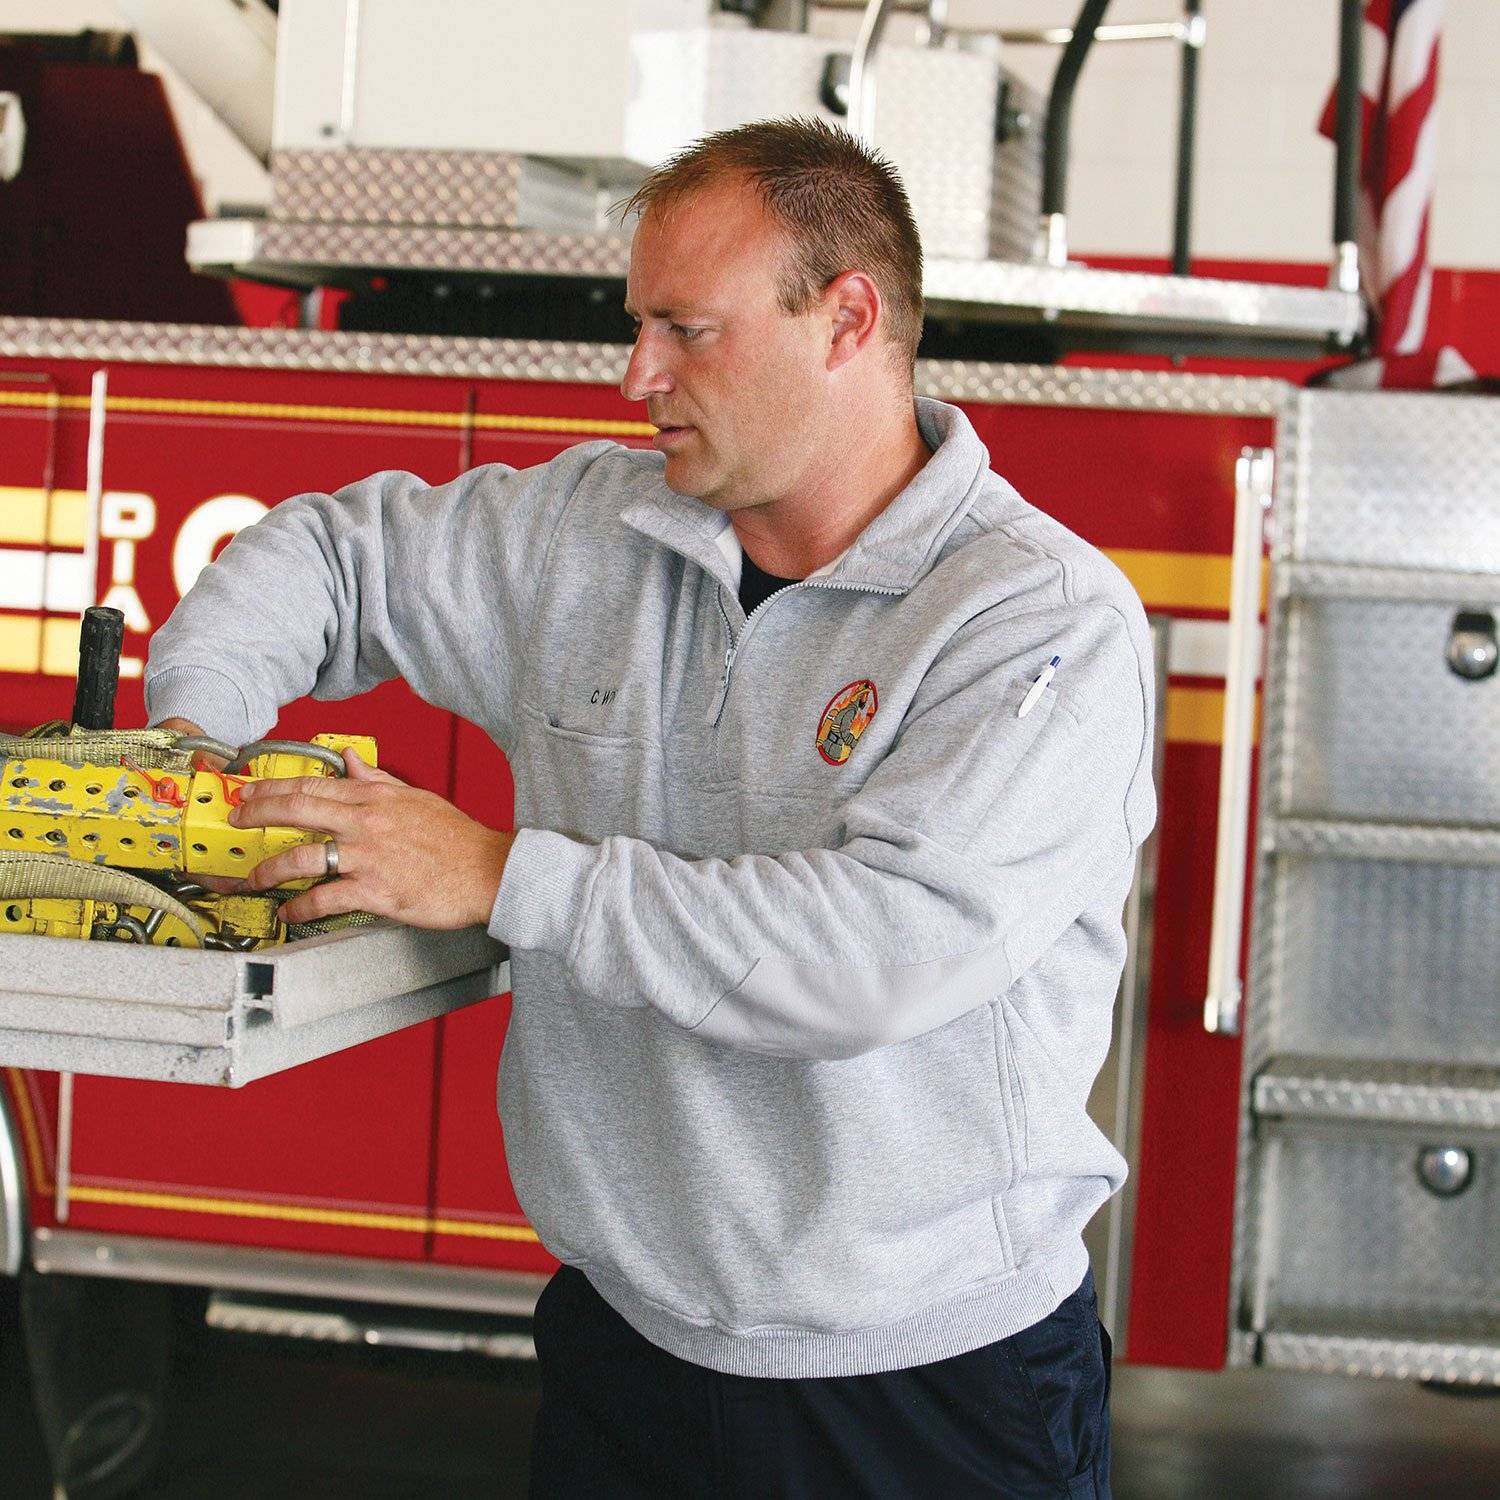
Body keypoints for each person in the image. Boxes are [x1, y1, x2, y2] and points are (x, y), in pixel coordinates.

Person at [149, 117, 1154, 1498]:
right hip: (627, 1356)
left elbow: (877, 956)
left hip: (931, 1392)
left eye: (689, 331)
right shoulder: (589, 534)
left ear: (847, 319)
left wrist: (508, 877)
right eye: (638, 326)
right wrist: (193, 746)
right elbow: (334, 555)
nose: (639, 377)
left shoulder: (1038, 622)